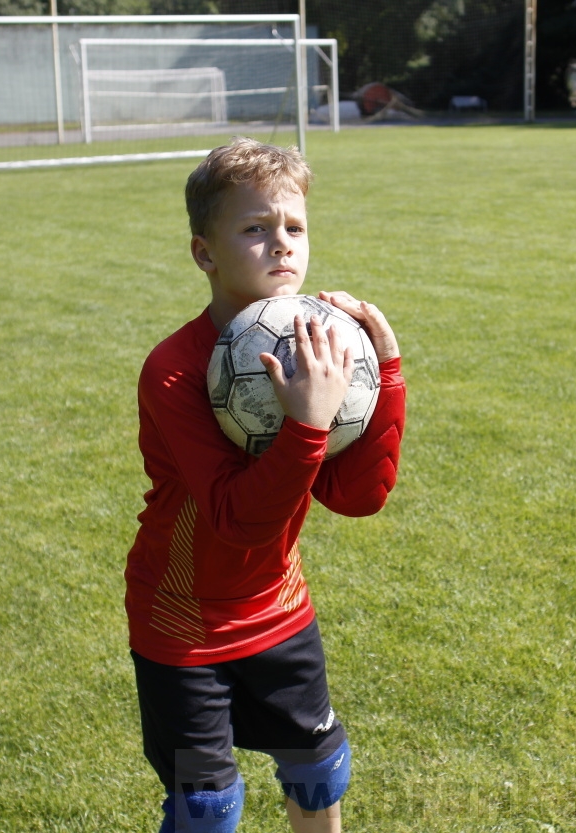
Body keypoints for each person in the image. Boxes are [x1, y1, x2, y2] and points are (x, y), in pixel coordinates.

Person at [124, 137, 406, 833]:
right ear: (204, 252)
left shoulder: (325, 344)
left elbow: (358, 495)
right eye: (255, 228)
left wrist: (387, 370)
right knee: (207, 804)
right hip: (183, 622)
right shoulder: (173, 370)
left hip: (279, 608)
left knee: (317, 772)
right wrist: (306, 428)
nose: (281, 243)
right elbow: (234, 518)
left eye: (295, 227)